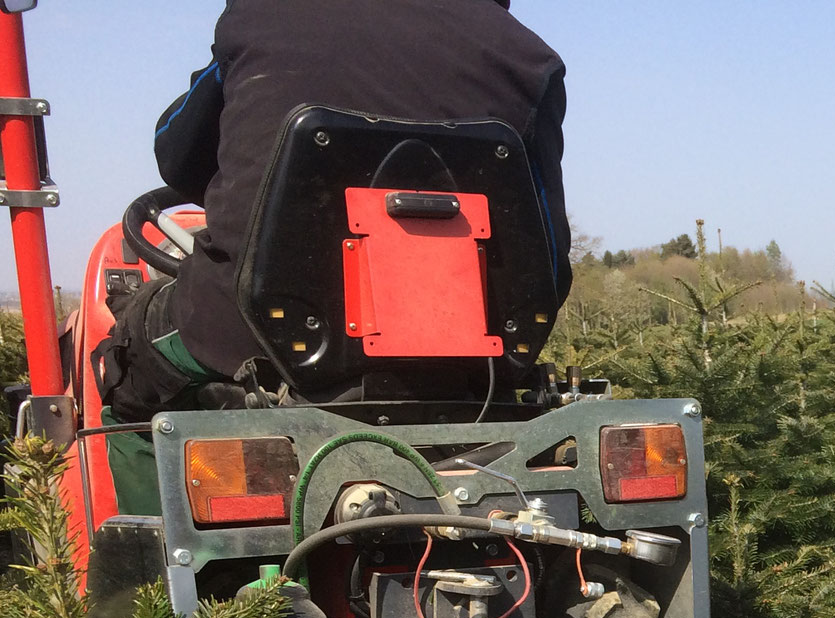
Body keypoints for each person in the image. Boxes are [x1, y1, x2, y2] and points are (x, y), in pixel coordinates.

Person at [93, 0, 571, 427]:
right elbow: (548, 258)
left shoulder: (259, 15)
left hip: (245, 332)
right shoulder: (530, 59)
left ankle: (138, 524)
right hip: (470, 363)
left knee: (124, 368)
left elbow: (177, 156)